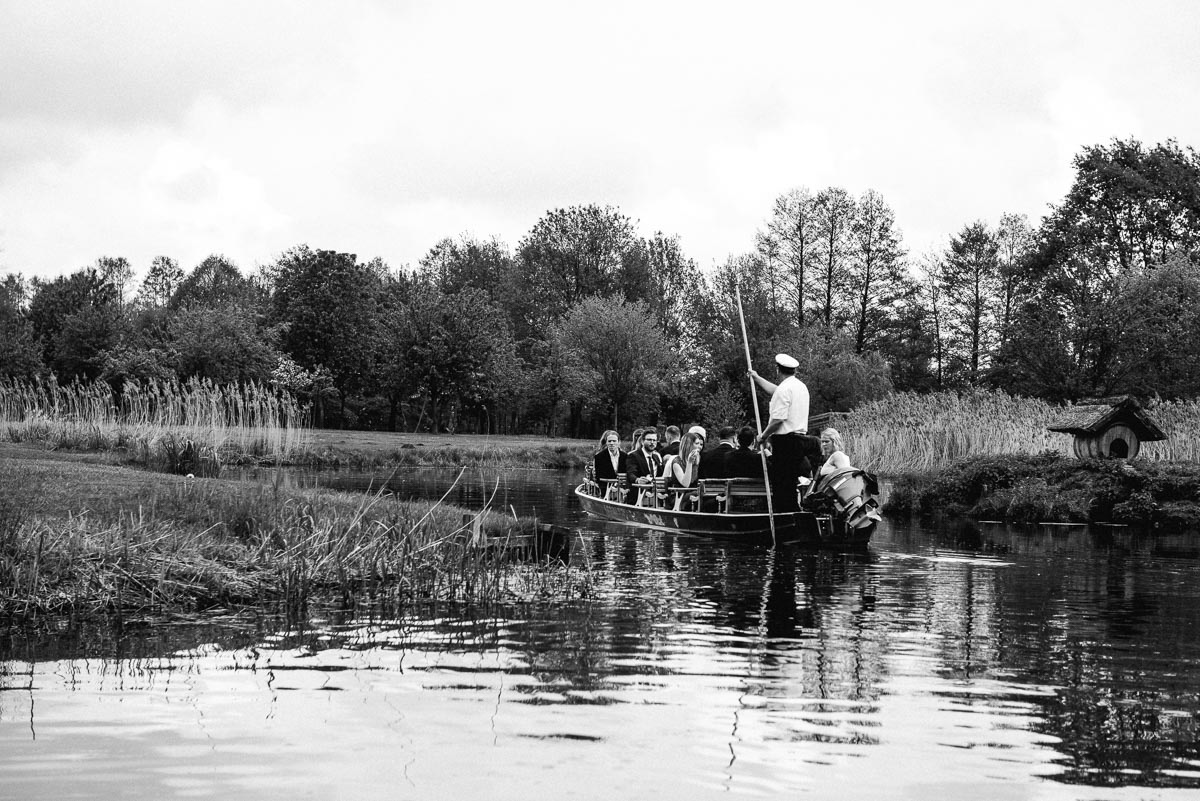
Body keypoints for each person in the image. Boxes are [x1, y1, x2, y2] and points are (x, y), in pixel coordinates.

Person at [749, 353, 810, 512]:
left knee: (782, 483)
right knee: (789, 482)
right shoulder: (800, 386)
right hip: (799, 441)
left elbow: (778, 420)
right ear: (794, 371)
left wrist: (763, 436)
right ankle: (792, 514)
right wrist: (756, 378)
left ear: (778, 370)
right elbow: (776, 391)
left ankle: (784, 517)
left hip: (785, 442)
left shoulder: (785, 389)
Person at [664, 431, 702, 509]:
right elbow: (686, 484)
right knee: (699, 494)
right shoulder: (676, 462)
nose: (699, 447)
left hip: (692, 493)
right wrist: (689, 463)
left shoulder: (698, 459)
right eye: (697, 444)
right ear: (689, 446)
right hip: (678, 495)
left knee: (705, 495)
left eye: (700, 444)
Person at [625, 428, 662, 504]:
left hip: (656, 492)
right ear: (642, 441)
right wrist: (637, 480)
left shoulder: (656, 457)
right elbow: (630, 473)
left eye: (654, 440)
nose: (652, 442)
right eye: (649, 440)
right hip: (639, 494)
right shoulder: (633, 456)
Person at [593, 429, 627, 499]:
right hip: (605, 487)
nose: (612, 443)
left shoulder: (625, 456)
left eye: (614, 441)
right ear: (606, 442)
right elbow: (599, 476)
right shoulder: (599, 457)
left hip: (622, 487)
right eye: (609, 441)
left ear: (619, 442)